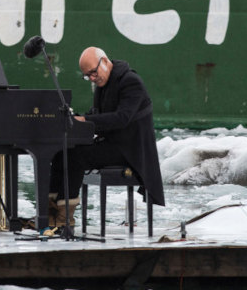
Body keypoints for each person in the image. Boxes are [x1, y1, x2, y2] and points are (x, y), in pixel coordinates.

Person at [47, 46, 165, 230]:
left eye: (93, 73)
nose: (92, 78)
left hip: (130, 150)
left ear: (105, 61)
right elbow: (98, 115)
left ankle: (64, 220)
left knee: (76, 156)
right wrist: (76, 119)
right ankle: (50, 214)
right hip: (112, 144)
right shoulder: (104, 84)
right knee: (60, 153)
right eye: (88, 76)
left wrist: (85, 119)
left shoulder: (130, 81)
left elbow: (121, 118)